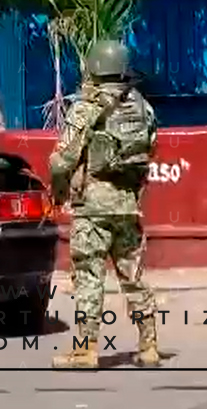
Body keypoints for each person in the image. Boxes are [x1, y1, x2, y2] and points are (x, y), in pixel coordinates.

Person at [49, 40, 159, 369]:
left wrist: (58, 191)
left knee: (89, 277)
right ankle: (149, 345)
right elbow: (151, 148)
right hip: (128, 205)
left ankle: (85, 349)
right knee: (133, 276)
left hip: (93, 208)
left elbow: (61, 161)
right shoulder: (142, 106)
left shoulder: (85, 107)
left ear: (94, 67)